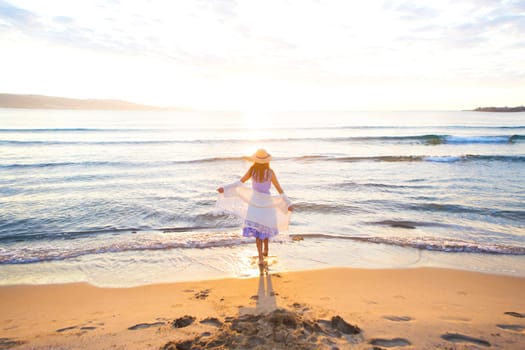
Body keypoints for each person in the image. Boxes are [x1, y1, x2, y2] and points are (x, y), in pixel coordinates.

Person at [217, 149, 293, 267]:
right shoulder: (270, 172)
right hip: (267, 204)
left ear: (256, 160)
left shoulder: (252, 171)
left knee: (258, 232)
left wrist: (225, 188)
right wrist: (288, 203)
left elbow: (239, 183)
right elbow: (279, 189)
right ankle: (266, 250)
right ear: (267, 160)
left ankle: (261, 257)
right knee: (265, 228)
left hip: (255, 204)